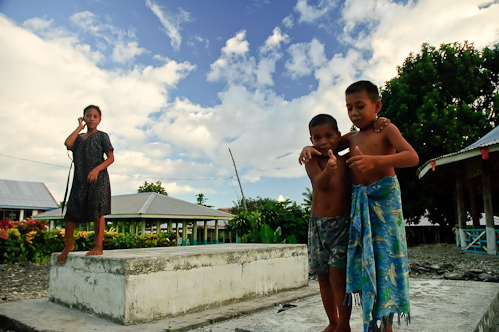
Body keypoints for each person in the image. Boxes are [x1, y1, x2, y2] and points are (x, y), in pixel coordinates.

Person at [304, 114, 352, 332]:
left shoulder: (348, 161)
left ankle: (344, 324)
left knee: (337, 277)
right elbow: (319, 184)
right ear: (311, 140)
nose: (322, 142)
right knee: (322, 277)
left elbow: (361, 136)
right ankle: (332, 322)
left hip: (342, 225)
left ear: (338, 136)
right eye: (316, 138)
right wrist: (328, 170)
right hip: (317, 226)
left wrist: (382, 122)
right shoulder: (311, 161)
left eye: (328, 136)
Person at [57, 105, 114, 263]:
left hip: (98, 178)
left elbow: (110, 158)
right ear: (84, 118)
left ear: (100, 120)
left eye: (95, 116)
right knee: (71, 213)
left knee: (97, 212)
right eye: (88, 116)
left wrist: (96, 170)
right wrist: (79, 127)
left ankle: (98, 245)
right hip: (80, 179)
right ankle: (69, 245)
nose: (92, 119)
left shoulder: (102, 136)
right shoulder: (78, 139)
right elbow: (67, 143)